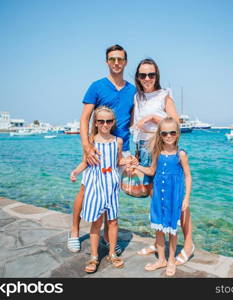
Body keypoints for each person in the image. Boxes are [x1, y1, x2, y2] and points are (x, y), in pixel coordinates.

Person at [67, 44, 136, 254]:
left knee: (110, 190)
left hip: (119, 147)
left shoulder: (132, 89)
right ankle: (74, 231)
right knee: (86, 189)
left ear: (125, 62)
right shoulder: (96, 86)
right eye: (112, 59)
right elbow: (84, 118)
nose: (116, 63)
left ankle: (107, 234)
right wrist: (87, 146)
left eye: (120, 59)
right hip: (95, 148)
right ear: (107, 61)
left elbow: (132, 120)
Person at [131, 58, 195, 265]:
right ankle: (158, 241)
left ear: (157, 75)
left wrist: (151, 119)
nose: (147, 78)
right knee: (157, 199)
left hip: (160, 147)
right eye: (143, 75)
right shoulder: (137, 96)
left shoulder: (164, 94)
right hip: (143, 149)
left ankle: (188, 245)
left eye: (151, 74)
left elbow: (175, 124)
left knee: (178, 202)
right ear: (138, 77)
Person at [132, 117, 192, 276]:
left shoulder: (181, 154)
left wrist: (186, 198)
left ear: (178, 134)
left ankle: (171, 259)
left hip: (174, 198)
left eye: (172, 132)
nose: (168, 136)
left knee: (172, 230)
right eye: (164, 133)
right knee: (159, 229)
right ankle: (161, 260)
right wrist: (136, 166)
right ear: (160, 135)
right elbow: (151, 172)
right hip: (159, 197)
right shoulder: (157, 153)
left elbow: (188, 177)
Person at [76, 106, 127, 273]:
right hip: (95, 185)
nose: (105, 124)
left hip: (111, 185)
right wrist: (75, 172)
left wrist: (129, 161)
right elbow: (85, 162)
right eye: (101, 121)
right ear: (96, 123)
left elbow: (118, 161)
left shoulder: (118, 141)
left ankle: (112, 253)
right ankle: (94, 256)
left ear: (113, 123)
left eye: (109, 121)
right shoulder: (91, 141)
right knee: (96, 222)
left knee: (112, 221)